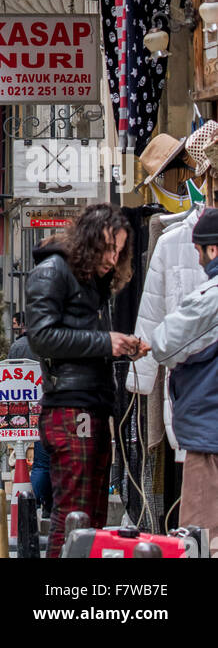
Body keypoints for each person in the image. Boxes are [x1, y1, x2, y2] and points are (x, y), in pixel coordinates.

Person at [25, 204, 146, 558]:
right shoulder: (53, 271)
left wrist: (120, 346)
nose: (113, 257)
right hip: (70, 406)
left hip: (88, 404)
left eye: (120, 250)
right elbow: (42, 338)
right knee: (73, 514)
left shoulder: (92, 281)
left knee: (89, 514)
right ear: (91, 241)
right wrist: (107, 342)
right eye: (109, 247)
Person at [150, 207, 218, 557]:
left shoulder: (212, 298)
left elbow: (165, 343)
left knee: (202, 538)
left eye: (199, 251)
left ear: (213, 250)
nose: (198, 259)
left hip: (210, 434)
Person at [7, 323, 52, 517]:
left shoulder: (18, 346)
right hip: (56, 405)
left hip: (26, 410)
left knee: (41, 464)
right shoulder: (54, 340)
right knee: (54, 463)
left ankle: (31, 505)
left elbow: (8, 377)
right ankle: (47, 506)